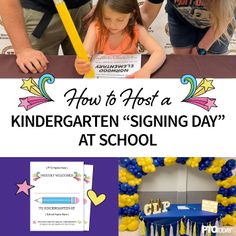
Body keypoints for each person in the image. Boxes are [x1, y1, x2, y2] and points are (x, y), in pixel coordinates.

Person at [74, 0, 166, 78]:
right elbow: (83, 55)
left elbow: (159, 52)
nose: (113, 25)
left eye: (120, 20)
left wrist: (146, 70)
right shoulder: (95, 27)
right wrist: (81, 65)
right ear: (100, 13)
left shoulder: (137, 29)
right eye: (107, 18)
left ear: (131, 14)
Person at [0, 0, 92, 73]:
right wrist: (23, 49)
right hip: (39, 14)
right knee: (37, 71)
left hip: (84, 11)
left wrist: (102, 5)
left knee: (87, 69)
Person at [140, 0, 236, 55]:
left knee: (212, 63)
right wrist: (130, 35)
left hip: (219, 22)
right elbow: (146, 13)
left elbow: (226, 16)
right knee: (183, 60)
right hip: (181, 18)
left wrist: (201, 48)